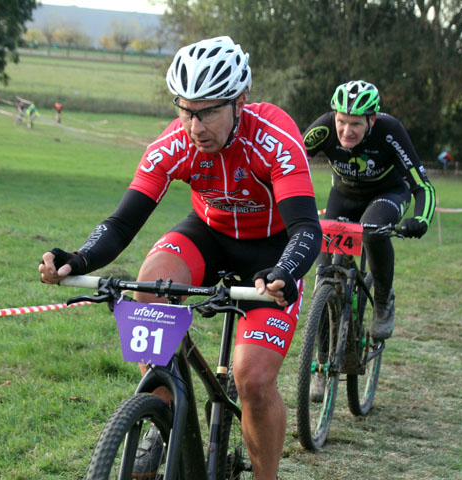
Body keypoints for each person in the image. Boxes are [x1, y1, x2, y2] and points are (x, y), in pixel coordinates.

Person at [38, 36, 322, 479]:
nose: (195, 125)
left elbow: (307, 229)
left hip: (272, 251)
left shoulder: (274, 137)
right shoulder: (174, 143)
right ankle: (161, 415)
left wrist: (285, 271)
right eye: (186, 110)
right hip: (207, 234)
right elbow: (122, 222)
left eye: (208, 111)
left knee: (252, 380)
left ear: (240, 100)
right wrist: (79, 258)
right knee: (149, 286)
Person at [303, 80, 436, 345]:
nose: (346, 131)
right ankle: (321, 355)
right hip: (343, 195)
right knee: (325, 269)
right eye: (341, 121)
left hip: (386, 195)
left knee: (371, 232)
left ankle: (384, 301)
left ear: (371, 120)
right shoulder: (323, 128)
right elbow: (288, 162)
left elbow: (422, 186)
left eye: (356, 124)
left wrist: (421, 219)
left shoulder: (390, 131)